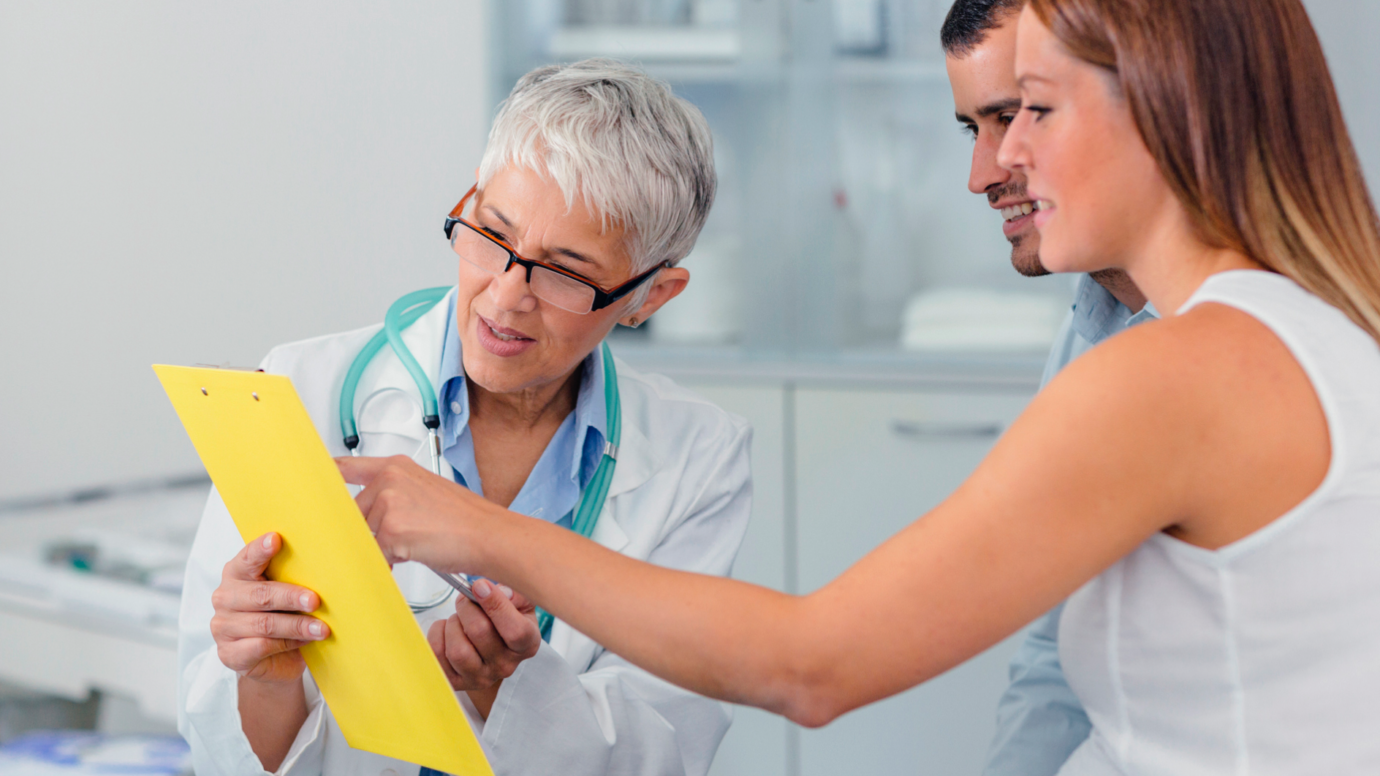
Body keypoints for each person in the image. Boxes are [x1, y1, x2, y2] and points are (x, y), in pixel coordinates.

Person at [344, 0, 1380, 772]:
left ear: (1168, 105)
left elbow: (810, 664)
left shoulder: (1177, 376)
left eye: (1034, 111)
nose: (993, 167)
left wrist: (473, 526)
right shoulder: (1306, 331)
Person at [177, 59, 754, 776]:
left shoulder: (698, 459)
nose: (507, 297)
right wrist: (267, 680)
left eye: (566, 273)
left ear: (651, 295)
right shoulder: (299, 390)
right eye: (491, 232)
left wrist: (505, 688)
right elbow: (220, 750)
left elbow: (663, 749)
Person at [940, 1, 1155, 772]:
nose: (984, 173)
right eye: (977, 128)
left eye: (1016, 114)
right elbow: (1056, 649)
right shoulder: (1091, 325)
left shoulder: (1227, 346)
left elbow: (814, 663)